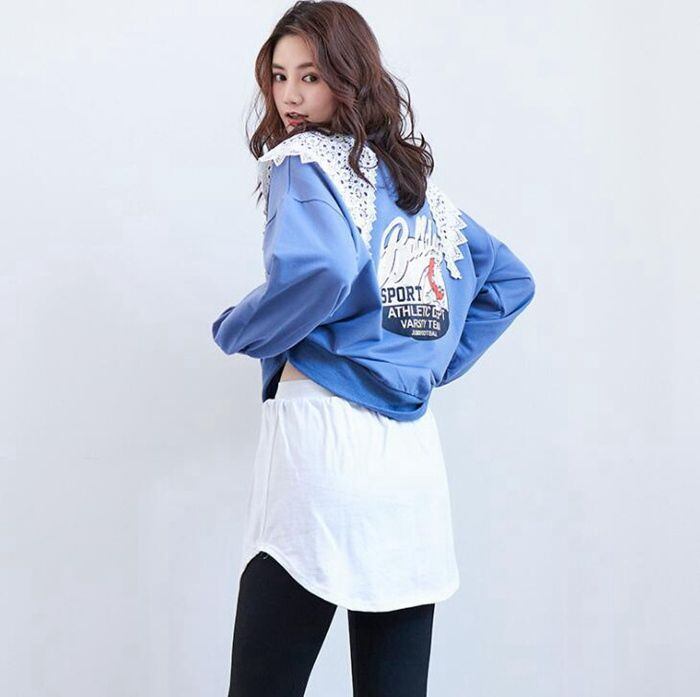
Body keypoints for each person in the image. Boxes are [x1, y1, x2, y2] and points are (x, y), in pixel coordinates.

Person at [211, 2, 536, 695]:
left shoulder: (300, 163)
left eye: (311, 76)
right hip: (410, 462)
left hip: (321, 442)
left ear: (348, 78)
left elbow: (322, 268)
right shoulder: (414, 186)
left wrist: (238, 329)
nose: (290, 96)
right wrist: (427, 361)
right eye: (279, 76)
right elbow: (510, 281)